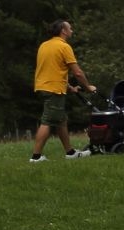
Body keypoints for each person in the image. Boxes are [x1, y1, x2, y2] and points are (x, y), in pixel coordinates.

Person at [30, 20, 96, 163]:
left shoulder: (44, 45)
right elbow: (77, 73)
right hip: (54, 90)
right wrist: (88, 87)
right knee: (47, 121)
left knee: (61, 120)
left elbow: (53, 71)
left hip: (44, 86)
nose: (72, 30)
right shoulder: (64, 47)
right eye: (70, 28)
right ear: (63, 31)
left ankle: (70, 152)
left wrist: (71, 88)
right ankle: (36, 157)